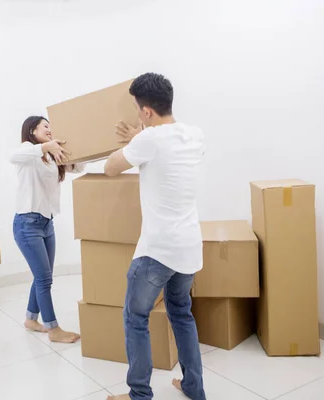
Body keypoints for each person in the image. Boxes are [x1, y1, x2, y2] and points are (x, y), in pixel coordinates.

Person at [104, 73, 207, 400]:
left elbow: (110, 167)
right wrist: (141, 138)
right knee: (181, 314)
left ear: (147, 111)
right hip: (189, 248)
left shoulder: (147, 140)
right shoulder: (195, 135)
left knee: (135, 318)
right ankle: (193, 386)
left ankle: (139, 395)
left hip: (157, 251)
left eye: (137, 109)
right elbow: (165, 154)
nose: (136, 114)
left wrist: (135, 141)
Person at [9, 116, 83, 344]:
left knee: (43, 276)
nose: (50, 130)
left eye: (51, 126)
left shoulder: (52, 157)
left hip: (46, 223)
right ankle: (53, 329)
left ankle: (31, 320)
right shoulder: (28, 151)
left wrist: (77, 148)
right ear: (32, 130)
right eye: (45, 126)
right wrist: (44, 147)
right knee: (44, 279)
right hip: (27, 224)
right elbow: (12, 157)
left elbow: (78, 166)